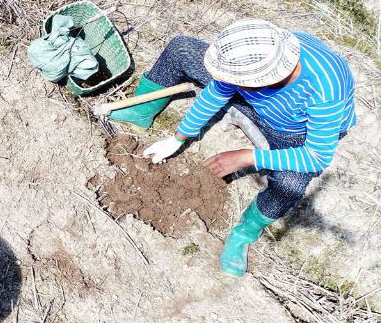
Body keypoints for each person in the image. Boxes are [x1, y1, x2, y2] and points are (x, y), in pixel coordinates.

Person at [109, 19, 355, 277]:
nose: (228, 82)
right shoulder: (257, 52)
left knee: (291, 184)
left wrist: (250, 157)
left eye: (237, 80)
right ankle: (139, 112)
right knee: (181, 48)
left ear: (266, 77)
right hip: (254, 99)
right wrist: (179, 137)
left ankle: (245, 232)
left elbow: (317, 157)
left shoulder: (326, 88)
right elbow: (217, 90)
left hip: (293, 130)